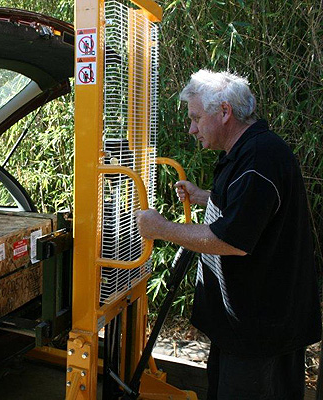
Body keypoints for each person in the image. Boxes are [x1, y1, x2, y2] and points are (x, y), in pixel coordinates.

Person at [135, 69, 321, 400]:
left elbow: (231, 240)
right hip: (248, 326)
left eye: (195, 117)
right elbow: (252, 209)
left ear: (224, 112)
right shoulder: (250, 151)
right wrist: (206, 196)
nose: (191, 128)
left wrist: (161, 229)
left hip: (259, 331)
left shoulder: (258, 160)